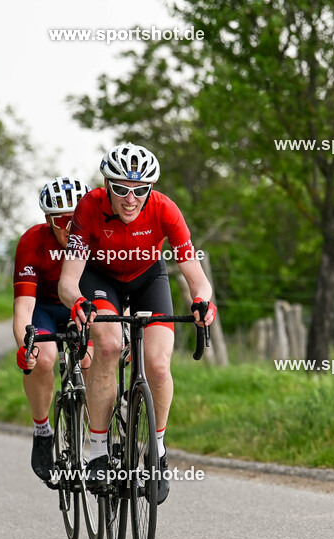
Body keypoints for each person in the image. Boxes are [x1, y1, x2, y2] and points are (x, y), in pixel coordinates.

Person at [58, 143, 216, 503]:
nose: (131, 199)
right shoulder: (89, 208)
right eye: (122, 189)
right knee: (110, 345)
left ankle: (156, 451)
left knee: (158, 367)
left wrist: (202, 302)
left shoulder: (165, 210)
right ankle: (97, 448)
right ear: (107, 185)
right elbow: (67, 282)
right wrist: (79, 302)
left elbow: (197, 276)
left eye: (140, 190)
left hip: (149, 279)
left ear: (151, 190)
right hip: (101, 280)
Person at [12, 176, 91, 482]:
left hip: (80, 308)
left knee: (89, 360)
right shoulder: (32, 241)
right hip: (44, 308)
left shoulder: (92, 238)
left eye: (76, 220)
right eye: (62, 221)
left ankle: (92, 432)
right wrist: (25, 347)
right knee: (43, 358)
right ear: (48, 220)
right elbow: (23, 308)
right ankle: (42, 431)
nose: (70, 229)